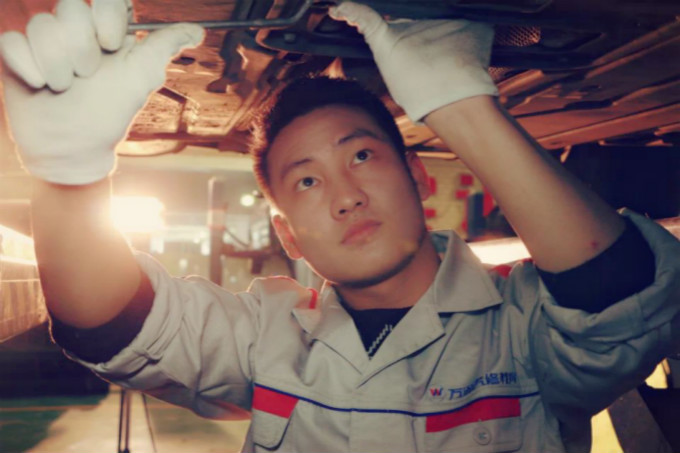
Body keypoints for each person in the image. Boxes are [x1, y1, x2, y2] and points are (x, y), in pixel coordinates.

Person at [1, 0, 679, 451]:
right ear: (288, 234)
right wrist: (68, 173)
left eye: (361, 156)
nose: (345, 196)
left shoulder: (522, 326)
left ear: (417, 177)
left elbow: (623, 301)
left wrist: (463, 105)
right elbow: (108, 323)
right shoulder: (265, 337)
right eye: (306, 180)